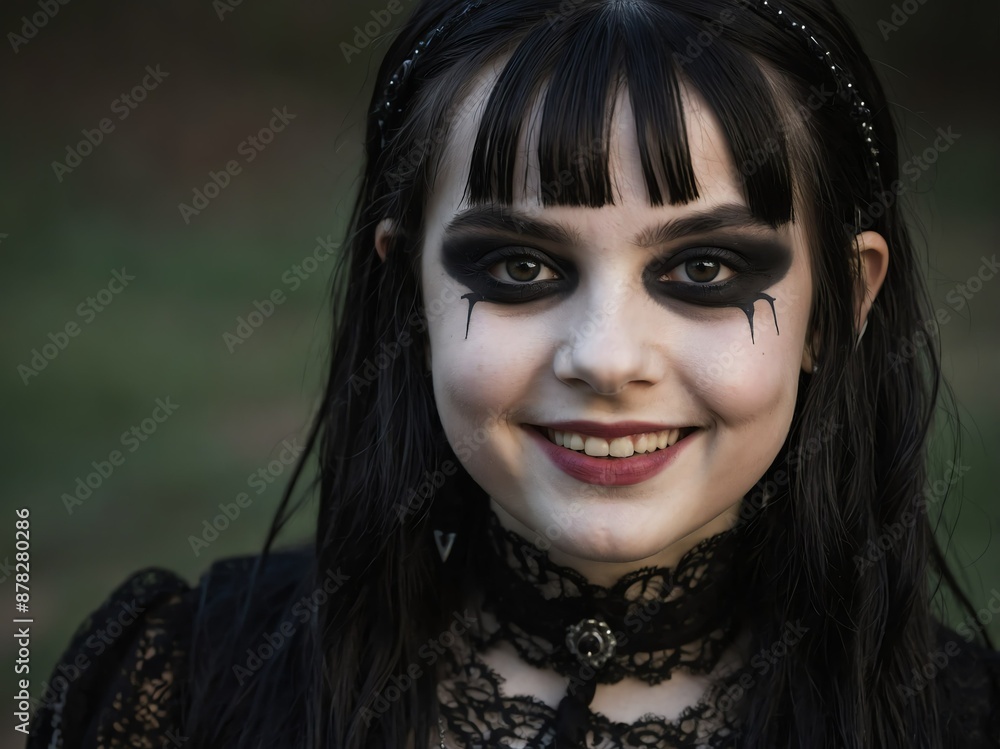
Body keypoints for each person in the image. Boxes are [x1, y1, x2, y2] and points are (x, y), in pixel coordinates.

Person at [28, 0, 1000, 747]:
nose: (606, 358)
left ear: (837, 302)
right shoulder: (189, 687)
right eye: (523, 268)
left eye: (701, 269)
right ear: (407, 289)